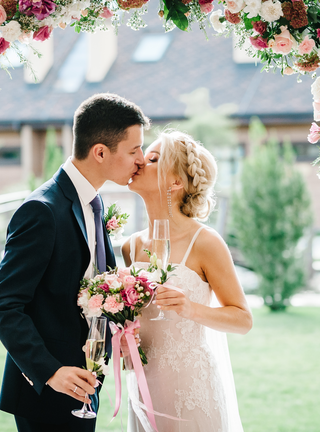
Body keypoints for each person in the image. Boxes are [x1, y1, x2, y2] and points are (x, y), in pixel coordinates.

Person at [0, 93, 150, 432]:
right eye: (134, 150)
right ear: (101, 152)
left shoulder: (93, 202)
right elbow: (3, 305)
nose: (141, 159)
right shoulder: (42, 211)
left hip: (84, 384)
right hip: (46, 392)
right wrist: (50, 371)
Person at [121, 130, 253, 432]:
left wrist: (190, 308)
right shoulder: (131, 246)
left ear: (176, 182)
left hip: (192, 388)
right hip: (143, 387)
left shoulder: (206, 242)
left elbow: (243, 319)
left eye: (153, 159)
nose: (140, 161)